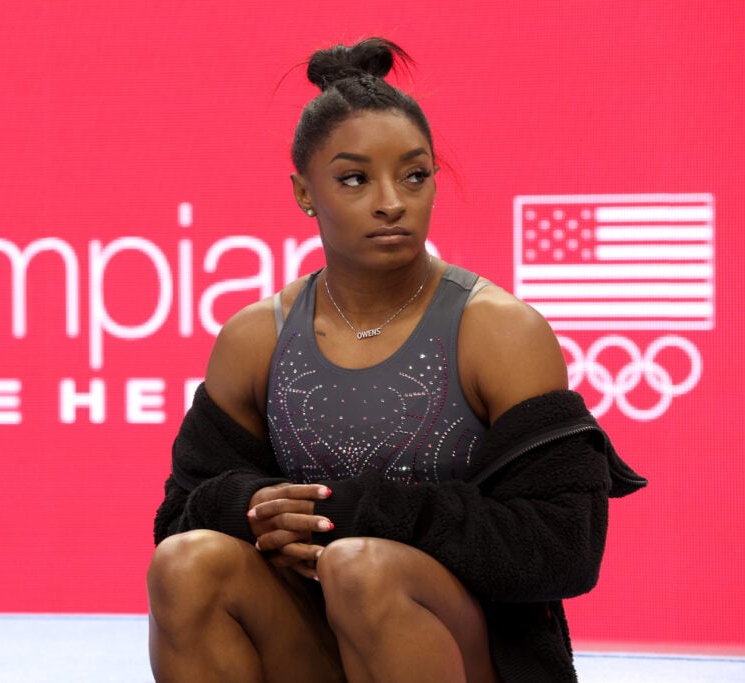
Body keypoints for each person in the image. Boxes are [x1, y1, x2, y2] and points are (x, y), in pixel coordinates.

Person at [147, 37, 645, 683]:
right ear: (304, 191)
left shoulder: (498, 330)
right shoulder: (255, 338)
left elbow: (562, 548)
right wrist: (255, 503)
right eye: (355, 178)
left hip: (472, 652)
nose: (392, 200)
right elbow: (175, 519)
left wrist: (353, 511)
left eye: (414, 174)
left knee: (363, 565)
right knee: (186, 563)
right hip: (314, 642)